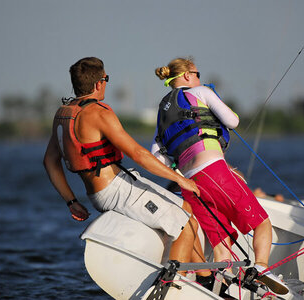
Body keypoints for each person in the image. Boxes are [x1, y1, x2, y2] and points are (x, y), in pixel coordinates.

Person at [43, 57, 213, 282]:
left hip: (102, 192)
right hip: (116, 190)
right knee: (186, 225)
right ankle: (174, 287)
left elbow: (49, 161)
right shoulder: (100, 114)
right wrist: (180, 180)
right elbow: (139, 154)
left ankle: (205, 277)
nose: (106, 83)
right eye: (106, 79)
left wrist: (71, 202)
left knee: (185, 208)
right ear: (98, 83)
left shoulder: (63, 115)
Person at [151, 57, 288, 295]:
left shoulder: (163, 112)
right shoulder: (200, 91)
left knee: (221, 245)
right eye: (197, 73)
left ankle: (221, 288)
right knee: (262, 223)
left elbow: (157, 157)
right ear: (186, 76)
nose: (200, 79)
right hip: (214, 171)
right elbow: (232, 121)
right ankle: (262, 269)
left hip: (189, 185)